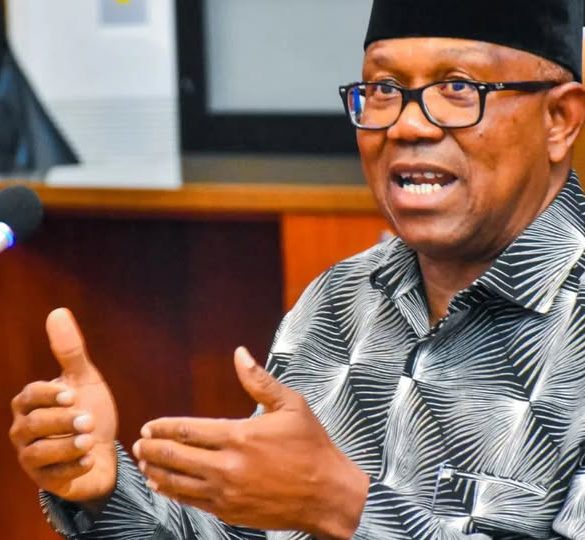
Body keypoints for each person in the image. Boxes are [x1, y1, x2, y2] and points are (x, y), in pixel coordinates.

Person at [9, 0, 585, 537]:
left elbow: (324, 505)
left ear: (559, 119)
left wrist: (342, 505)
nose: (408, 126)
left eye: (458, 88)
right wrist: (104, 492)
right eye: (384, 89)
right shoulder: (339, 300)